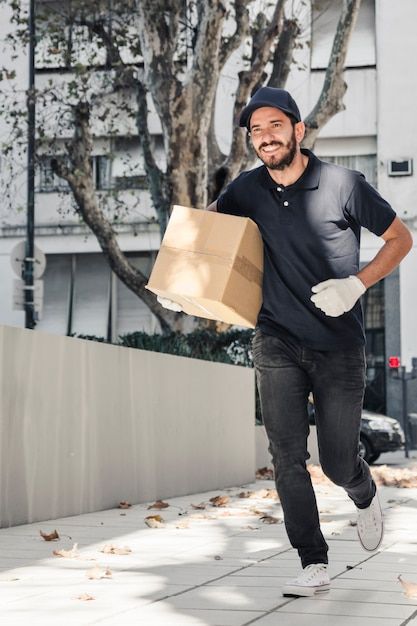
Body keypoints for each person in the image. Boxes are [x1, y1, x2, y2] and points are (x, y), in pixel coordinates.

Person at [159, 86, 412, 597]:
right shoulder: (246, 190)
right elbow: (206, 228)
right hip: (275, 339)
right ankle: (312, 561)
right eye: (256, 130)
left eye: (275, 125)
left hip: (338, 344)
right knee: (287, 456)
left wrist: (356, 284)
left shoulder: (344, 184)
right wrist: (181, 281)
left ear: (299, 130)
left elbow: (401, 239)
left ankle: (363, 492)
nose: (265, 136)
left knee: (338, 462)